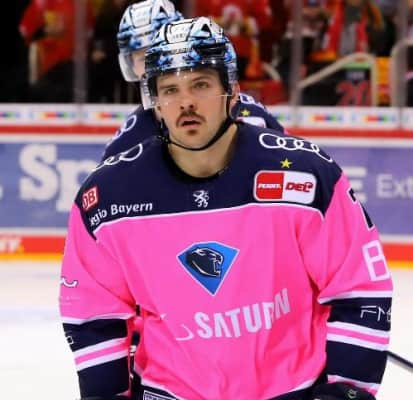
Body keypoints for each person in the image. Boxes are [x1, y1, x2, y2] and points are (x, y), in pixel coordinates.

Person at [59, 16, 392, 400]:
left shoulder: (307, 177)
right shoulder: (108, 195)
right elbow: (93, 313)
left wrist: (348, 388)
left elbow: (358, 289)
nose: (185, 101)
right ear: (155, 103)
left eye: (200, 84)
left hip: (292, 390)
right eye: (170, 89)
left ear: (231, 92)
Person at [102, 0, 285, 160]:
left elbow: (287, 161)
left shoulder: (249, 112)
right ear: (130, 65)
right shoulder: (126, 143)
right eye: (144, 58)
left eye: (163, 54)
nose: (154, 67)